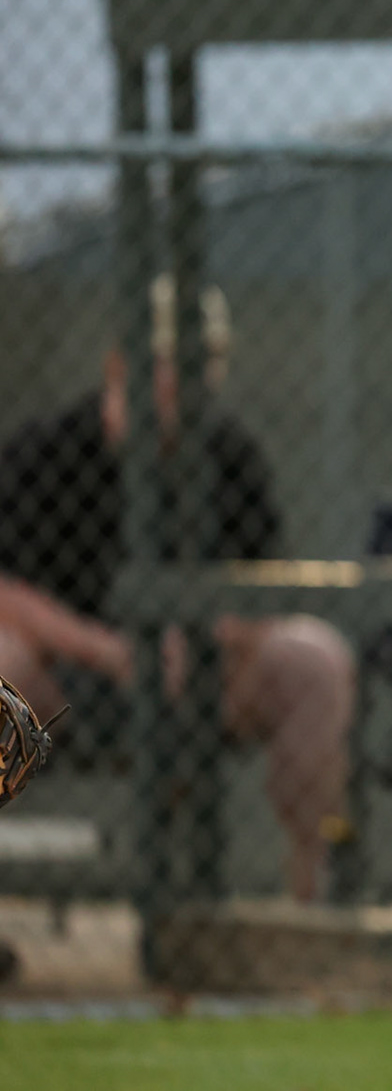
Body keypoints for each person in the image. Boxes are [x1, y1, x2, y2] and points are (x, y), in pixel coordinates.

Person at [0, 278, 354, 902]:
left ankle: (312, 908)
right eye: (170, 364)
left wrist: (205, 633)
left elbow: (263, 590)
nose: (191, 382)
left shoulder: (229, 453)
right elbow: (8, 591)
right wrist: (111, 651)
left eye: (206, 363)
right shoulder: (47, 451)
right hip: (71, 680)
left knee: (314, 659)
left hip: (196, 678)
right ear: (120, 365)